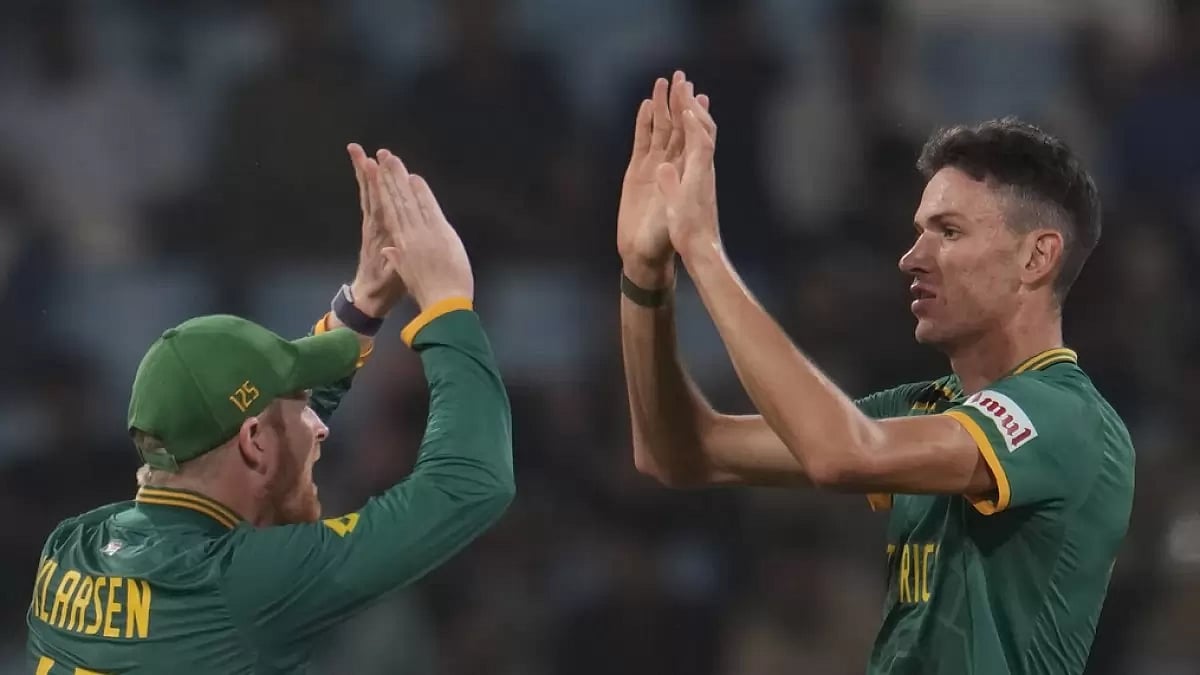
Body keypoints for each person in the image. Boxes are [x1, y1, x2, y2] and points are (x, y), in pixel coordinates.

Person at [617, 71, 1134, 675]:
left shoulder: (1064, 413)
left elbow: (840, 454)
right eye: (918, 233)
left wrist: (703, 249)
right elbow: (678, 452)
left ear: (1037, 255)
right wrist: (645, 274)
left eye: (948, 231)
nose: (912, 258)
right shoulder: (923, 411)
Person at [25, 145, 515, 674]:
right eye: (305, 408)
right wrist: (447, 308)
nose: (323, 426)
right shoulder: (247, 586)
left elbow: (248, 437)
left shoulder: (74, 546)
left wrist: (364, 304)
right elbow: (471, 484)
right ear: (254, 441)